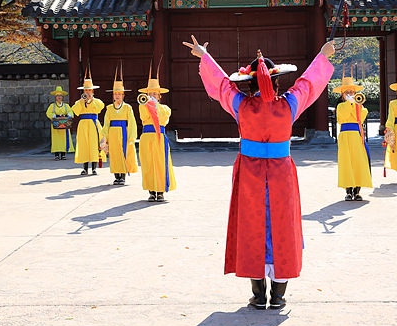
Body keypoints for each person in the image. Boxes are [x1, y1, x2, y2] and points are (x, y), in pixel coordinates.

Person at [184, 35, 335, 310]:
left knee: (251, 226)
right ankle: (278, 295)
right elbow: (308, 85)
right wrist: (323, 55)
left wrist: (204, 57)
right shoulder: (289, 104)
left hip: (250, 173)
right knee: (282, 226)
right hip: (281, 173)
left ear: (248, 84)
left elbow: (221, 86)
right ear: (276, 82)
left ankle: (257, 295)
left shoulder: (241, 106)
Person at [138, 67, 175, 202]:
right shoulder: (143, 105)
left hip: (159, 137)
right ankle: (151, 191)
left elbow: (163, 119)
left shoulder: (165, 108)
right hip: (147, 137)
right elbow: (143, 118)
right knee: (148, 163)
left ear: (159, 96)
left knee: (160, 163)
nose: (152, 96)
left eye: (155, 94)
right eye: (150, 94)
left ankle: (160, 191)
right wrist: (147, 104)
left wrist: (156, 105)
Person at [333, 72, 372, 201]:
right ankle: (348, 191)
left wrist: (354, 104)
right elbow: (342, 117)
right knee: (346, 162)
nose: (350, 94)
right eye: (347, 92)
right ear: (342, 95)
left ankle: (358, 190)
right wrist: (349, 104)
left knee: (358, 162)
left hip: (356, 136)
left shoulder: (359, 106)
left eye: (352, 92)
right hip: (344, 136)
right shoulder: (340, 106)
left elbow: (360, 117)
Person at [102, 65, 138, 185]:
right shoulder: (109, 108)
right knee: (114, 154)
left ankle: (122, 176)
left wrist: (132, 137)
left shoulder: (128, 108)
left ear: (123, 95)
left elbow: (132, 122)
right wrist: (104, 138)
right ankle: (116, 175)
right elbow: (106, 124)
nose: (117, 96)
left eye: (119, 94)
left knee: (123, 153)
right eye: (115, 94)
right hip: (112, 133)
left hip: (124, 131)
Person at [72, 71, 105, 175]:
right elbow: (75, 111)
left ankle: (94, 168)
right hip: (83, 124)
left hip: (93, 123)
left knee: (94, 144)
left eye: (89, 90)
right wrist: (82, 101)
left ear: (93, 91)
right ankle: (85, 168)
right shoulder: (79, 101)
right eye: (86, 90)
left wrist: (92, 100)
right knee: (84, 145)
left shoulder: (97, 101)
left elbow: (100, 107)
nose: (88, 92)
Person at [46, 86, 74, 160]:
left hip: (64, 125)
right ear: (55, 97)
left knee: (64, 140)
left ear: (62, 97)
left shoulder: (66, 106)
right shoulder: (52, 106)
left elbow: (71, 111)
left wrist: (69, 114)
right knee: (56, 140)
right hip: (56, 125)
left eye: (60, 96)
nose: (59, 97)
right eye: (57, 96)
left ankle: (63, 154)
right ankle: (57, 155)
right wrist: (53, 115)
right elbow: (48, 113)